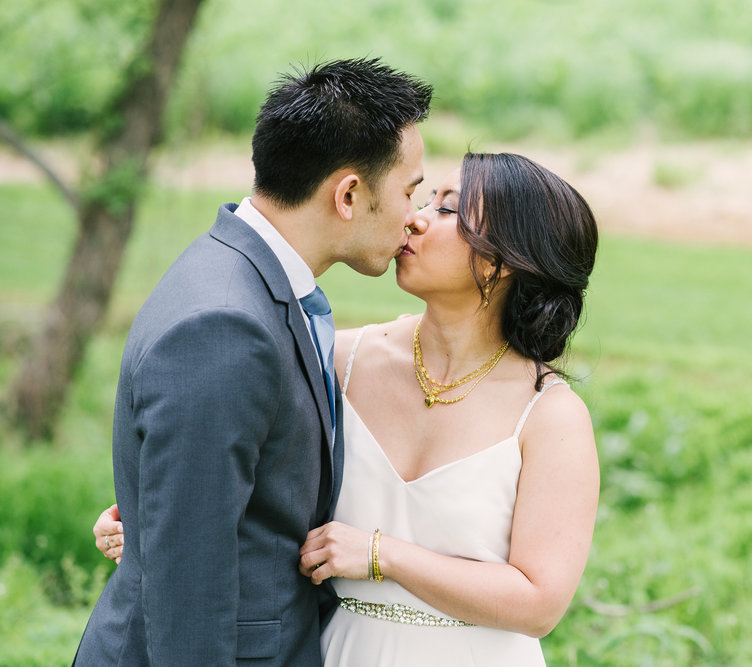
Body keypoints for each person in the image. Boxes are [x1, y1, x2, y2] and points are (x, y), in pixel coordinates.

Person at [96, 152, 600, 665]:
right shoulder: (341, 359)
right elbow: (245, 486)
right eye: (424, 199)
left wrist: (382, 555)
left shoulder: (550, 416)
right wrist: (149, 522)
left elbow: (539, 602)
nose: (415, 218)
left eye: (448, 211)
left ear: (504, 259)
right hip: (334, 651)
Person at [75, 57, 432, 666]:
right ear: (348, 194)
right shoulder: (225, 325)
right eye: (409, 190)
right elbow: (188, 579)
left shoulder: (240, 276)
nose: (415, 216)